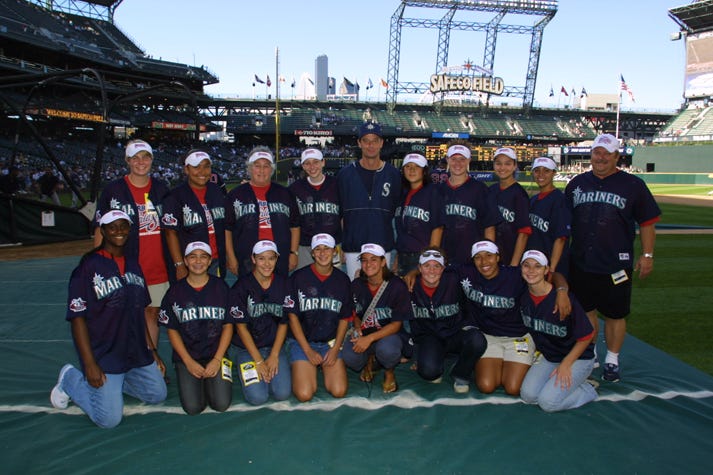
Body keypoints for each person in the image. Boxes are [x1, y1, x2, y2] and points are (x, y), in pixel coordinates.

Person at [50, 210, 167, 428]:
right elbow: (77, 319)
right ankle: (70, 378)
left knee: (157, 394)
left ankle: (117, 383)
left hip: (134, 351)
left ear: (130, 230)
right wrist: (90, 364)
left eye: (123, 226)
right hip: (106, 353)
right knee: (109, 420)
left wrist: (153, 351)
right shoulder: (88, 267)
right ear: (103, 230)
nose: (119, 231)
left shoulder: (133, 264)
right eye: (112, 227)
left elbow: (140, 311)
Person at [565, 134, 661, 382]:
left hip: (616, 263)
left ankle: (612, 360)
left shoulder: (633, 185)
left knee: (616, 314)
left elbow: (648, 222)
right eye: (597, 152)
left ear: (617, 156)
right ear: (591, 154)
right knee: (586, 312)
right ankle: (592, 353)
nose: (601, 157)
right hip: (582, 261)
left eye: (607, 153)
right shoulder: (576, 184)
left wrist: (647, 255)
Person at [459, 240, 571, 396]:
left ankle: (529, 359)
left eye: (489, 255)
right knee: (486, 385)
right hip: (489, 337)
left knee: (513, 388)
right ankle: (491, 365)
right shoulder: (467, 273)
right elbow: (435, 268)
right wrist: (413, 272)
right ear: (472, 261)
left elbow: (554, 274)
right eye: (478, 257)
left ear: (498, 257)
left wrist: (561, 291)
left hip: (518, 338)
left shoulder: (515, 275)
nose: (484, 261)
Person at [94, 139, 171, 365]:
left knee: (151, 314)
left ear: (152, 160)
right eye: (135, 158)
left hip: (157, 265)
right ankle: (120, 361)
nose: (141, 162)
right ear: (127, 160)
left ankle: (148, 361)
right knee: (121, 315)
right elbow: (100, 229)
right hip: (123, 267)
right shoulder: (113, 190)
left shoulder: (161, 189)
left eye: (145, 157)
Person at [159, 241, 233, 415]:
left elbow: (229, 325)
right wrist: (188, 361)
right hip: (188, 356)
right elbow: (172, 329)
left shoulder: (221, 287)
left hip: (216, 354)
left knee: (221, 404)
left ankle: (211, 382)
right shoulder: (175, 291)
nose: (198, 261)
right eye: (193, 257)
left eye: (203, 257)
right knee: (193, 408)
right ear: (185, 261)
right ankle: (197, 380)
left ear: (209, 262)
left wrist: (216, 360)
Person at [519, 250, 597, 412]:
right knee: (528, 396)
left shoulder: (563, 300)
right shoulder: (524, 296)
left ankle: (587, 389)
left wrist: (566, 364)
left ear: (546, 270)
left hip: (578, 358)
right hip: (551, 356)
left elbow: (587, 336)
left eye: (537, 266)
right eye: (526, 265)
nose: (531, 270)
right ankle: (570, 383)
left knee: (548, 403)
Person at [409, 246, 487, 393]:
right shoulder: (410, 286)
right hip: (430, 337)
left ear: (443, 268)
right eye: (427, 266)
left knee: (477, 340)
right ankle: (434, 359)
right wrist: (415, 352)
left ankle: (460, 372)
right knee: (429, 373)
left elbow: (478, 270)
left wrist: (468, 324)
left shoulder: (454, 279)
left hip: (455, 332)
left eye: (436, 266)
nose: (432, 271)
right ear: (419, 268)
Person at [287, 233, 353, 402]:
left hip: (329, 343)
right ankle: (302, 367)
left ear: (334, 252)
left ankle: (320, 368)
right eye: (318, 249)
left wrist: (336, 348)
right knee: (304, 394)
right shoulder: (298, 278)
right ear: (312, 253)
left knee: (339, 391)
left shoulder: (343, 280)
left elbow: (345, 318)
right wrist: (308, 350)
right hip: (304, 342)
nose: (323, 253)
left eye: (327, 249)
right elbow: (292, 317)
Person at [230, 240, 293, 405]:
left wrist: (273, 355)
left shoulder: (284, 284)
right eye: (261, 258)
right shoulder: (241, 287)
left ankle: (273, 365)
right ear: (253, 259)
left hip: (274, 347)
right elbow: (241, 327)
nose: (266, 264)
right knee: (258, 398)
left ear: (277, 259)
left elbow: (284, 323)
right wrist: (258, 360)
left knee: (282, 393)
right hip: (248, 350)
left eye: (271, 258)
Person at [343, 243, 412, 394]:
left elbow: (396, 325)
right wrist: (357, 329)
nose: (368, 264)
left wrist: (369, 339)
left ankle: (389, 372)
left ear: (383, 262)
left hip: (389, 335)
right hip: (367, 332)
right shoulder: (356, 285)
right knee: (349, 355)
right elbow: (356, 314)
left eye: (373, 259)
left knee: (388, 349)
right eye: (364, 260)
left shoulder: (397, 286)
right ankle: (369, 361)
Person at [337, 121, 401, 278]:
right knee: (355, 294)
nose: (370, 145)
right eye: (366, 140)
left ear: (381, 143)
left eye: (374, 141)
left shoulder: (393, 174)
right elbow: (338, 213)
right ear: (359, 143)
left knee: (379, 296)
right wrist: (340, 245)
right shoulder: (345, 174)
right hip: (353, 247)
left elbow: (398, 215)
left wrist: (399, 251)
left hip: (382, 246)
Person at [225, 147, 300, 277]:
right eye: (257, 166)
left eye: (266, 166)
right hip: (247, 258)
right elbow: (227, 229)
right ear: (249, 168)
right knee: (248, 295)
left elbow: (295, 226)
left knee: (279, 293)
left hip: (278, 257)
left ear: (272, 169)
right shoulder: (235, 195)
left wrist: (293, 253)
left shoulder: (285, 193)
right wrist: (231, 257)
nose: (261, 170)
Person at [162, 150, 227, 280]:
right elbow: (170, 233)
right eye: (196, 167)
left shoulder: (216, 191)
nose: (202, 172)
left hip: (215, 259)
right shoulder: (175, 196)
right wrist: (180, 265)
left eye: (206, 166)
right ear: (187, 169)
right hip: (190, 262)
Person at [439, 142, 500, 266]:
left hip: (472, 258)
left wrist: (488, 256)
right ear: (447, 160)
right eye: (454, 159)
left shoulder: (481, 190)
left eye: (462, 159)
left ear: (469, 160)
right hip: (443, 258)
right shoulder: (438, 190)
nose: (458, 163)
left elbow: (489, 226)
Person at [288, 148, 341, 269]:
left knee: (333, 283)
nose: (312, 166)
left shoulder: (337, 185)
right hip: (305, 246)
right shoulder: (294, 189)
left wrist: (342, 245)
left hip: (332, 245)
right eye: (307, 163)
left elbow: (344, 217)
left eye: (316, 162)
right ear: (302, 166)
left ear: (323, 162)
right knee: (305, 283)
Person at [393, 153, 444, 275]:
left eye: (417, 166)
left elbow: (438, 228)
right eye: (408, 166)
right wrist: (397, 258)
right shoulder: (402, 194)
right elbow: (402, 232)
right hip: (402, 257)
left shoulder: (433, 191)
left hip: (422, 256)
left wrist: (429, 260)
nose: (412, 170)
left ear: (425, 171)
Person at [528, 156, 570, 276]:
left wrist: (552, 269)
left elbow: (561, 238)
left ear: (554, 173)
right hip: (534, 263)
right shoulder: (533, 200)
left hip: (550, 266)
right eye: (537, 170)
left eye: (546, 170)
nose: (541, 174)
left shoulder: (560, 200)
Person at [488, 147, 531, 266]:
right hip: (491, 257)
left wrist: (513, 265)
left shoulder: (520, 194)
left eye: (507, 164)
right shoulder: (491, 191)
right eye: (498, 163)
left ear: (514, 166)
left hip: (510, 256)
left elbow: (524, 233)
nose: (502, 168)